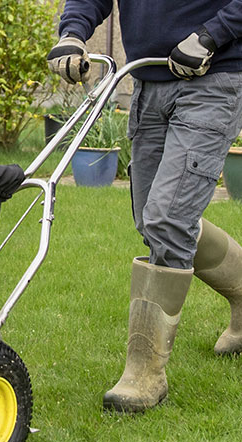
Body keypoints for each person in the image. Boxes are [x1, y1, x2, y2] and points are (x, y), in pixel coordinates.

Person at [48, 1, 242, 413]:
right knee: (152, 219)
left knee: (168, 219)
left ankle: (145, 373)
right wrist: (72, 32)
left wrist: (212, 35)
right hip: (149, 84)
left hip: (214, 78)